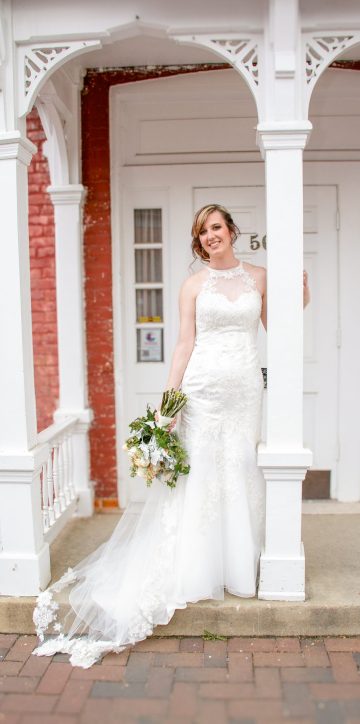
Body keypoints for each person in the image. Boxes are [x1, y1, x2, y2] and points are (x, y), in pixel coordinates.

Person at [32, 204, 310, 668]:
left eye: (216, 228)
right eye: (202, 232)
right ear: (198, 240)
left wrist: (299, 294)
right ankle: (196, 569)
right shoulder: (193, 286)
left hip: (243, 393)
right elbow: (184, 344)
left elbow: (277, 329)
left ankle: (238, 564)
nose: (210, 236)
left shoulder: (258, 277)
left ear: (232, 231)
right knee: (200, 475)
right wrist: (168, 405)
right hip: (201, 391)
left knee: (238, 468)